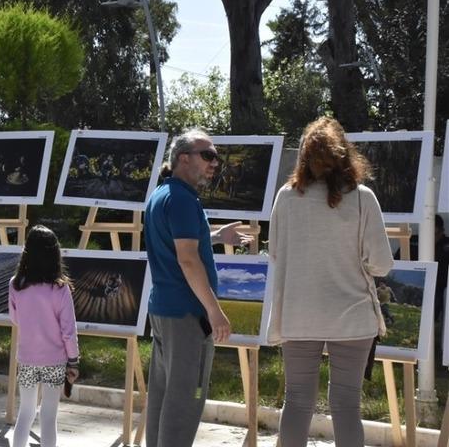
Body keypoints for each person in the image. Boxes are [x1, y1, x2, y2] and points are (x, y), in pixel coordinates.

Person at [267, 117, 393, 446]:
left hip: (299, 313)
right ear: (345, 156)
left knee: (296, 402)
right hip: (352, 316)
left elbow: (276, 252)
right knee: (347, 407)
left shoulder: (286, 197)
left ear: (304, 158)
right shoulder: (363, 198)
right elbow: (381, 264)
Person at [143, 128, 251, 447]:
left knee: (163, 396)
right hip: (187, 316)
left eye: (216, 157)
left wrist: (216, 237)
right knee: (185, 401)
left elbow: (178, 241)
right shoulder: (182, 200)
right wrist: (215, 312)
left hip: (164, 310)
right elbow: (188, 260)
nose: (214, 163)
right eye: (208, 155)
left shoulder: (163, 194)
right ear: (183, 158)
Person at [8, 225, 80, 447]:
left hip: (27, 359)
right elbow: (68, 330)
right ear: (55, 254)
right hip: (54, 361)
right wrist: (74, 360)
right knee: (48, 417)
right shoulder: (60, 289)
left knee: (25, 413)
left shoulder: (15, 284)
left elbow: (15, 319)